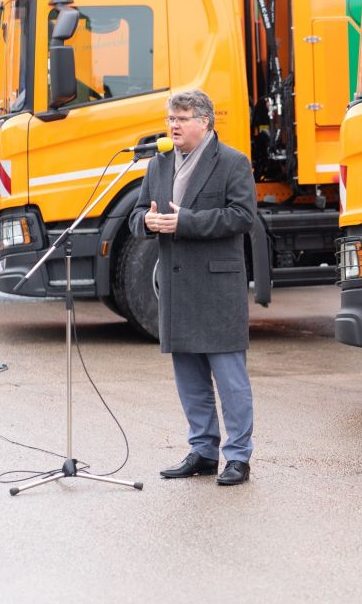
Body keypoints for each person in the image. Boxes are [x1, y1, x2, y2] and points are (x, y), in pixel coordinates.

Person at [128, 89, 257, 486]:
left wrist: (186, 222)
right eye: (171, 119)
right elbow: (137, 214)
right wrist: (147, 224)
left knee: (230, 379)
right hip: (177, 286)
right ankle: (203, 451)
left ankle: (238, 457)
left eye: (182, 118)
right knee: (189, 378)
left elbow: (241, 217)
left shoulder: (233, 162)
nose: (174, 125)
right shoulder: (160, 163)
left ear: (205, 121)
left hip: (217, 287)